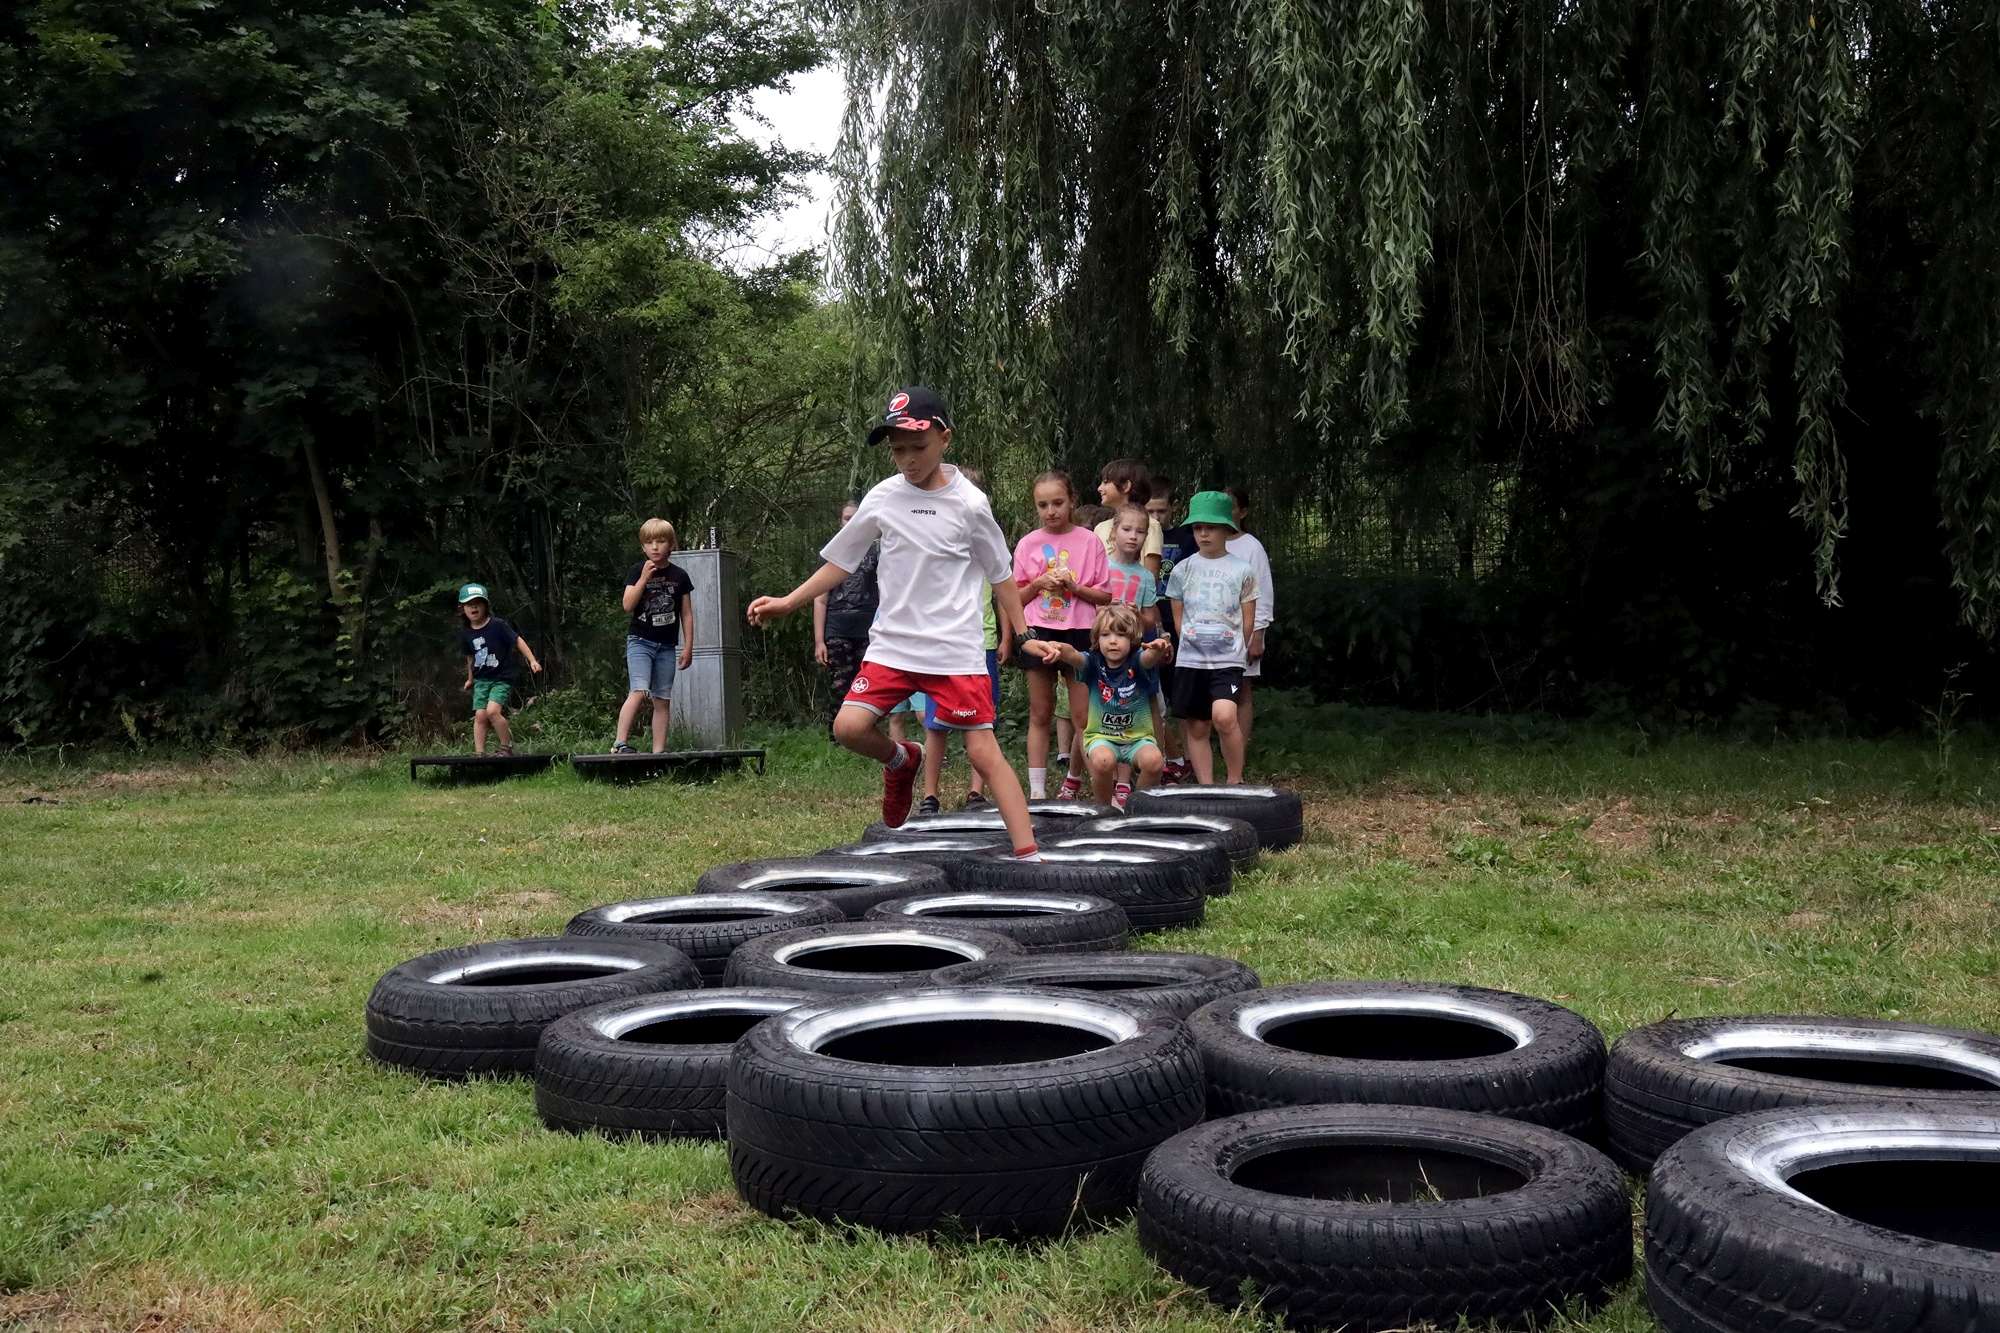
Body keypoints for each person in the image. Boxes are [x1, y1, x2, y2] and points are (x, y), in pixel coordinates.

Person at [747, 385, 1038, 852]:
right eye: (898, 450)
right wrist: (788, 601)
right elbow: (840, 563)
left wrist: (1024, 636)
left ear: (945, 438)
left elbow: (1001, 575)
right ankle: (902, 760)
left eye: (917, 447)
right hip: (894, 644)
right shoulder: (883, 497)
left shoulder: (970, 504)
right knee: (848, 729)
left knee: (983, 753)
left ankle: (1030, 855)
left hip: (954, 648)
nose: (908, 459)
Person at [1014, 470, 1111, 800]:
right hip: (1038, 630)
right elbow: (1014, 598)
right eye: (1043, 505)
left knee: (1084, 715)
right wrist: (1039, 583)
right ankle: (1038, 792)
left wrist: (1074, 587)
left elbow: (1105, 596)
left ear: (1071, 500)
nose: (1051, 511)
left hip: (1080, 630)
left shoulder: (1090, 541)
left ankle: (1091, 785)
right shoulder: (1028, 544)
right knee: (1040, 711)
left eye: (1057, 502)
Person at [918, 467, 1008, 814]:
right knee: (935, 725)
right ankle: (930, 795)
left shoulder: (987, 543)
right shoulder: (931, 546)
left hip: (980, 644)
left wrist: (1007, 637)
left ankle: (975, 792)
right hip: (937, 648)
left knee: (980, 724)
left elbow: (1003, 589)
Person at [1025, 603, 1173, 808]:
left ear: (1132, 639)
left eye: (1120, 635)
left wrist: (1158, 648)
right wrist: (1060, 648)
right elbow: (1074, 656)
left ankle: (1137, 810)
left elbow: (1149, 658)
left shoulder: (1138, 662)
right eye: (1105, 635)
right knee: (1103, 761)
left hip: (1138, 738)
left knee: (1154, 761)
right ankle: (1104, 809)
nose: (1113, 641)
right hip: (1102, 737)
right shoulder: (1093, 663)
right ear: (1096, 639)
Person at [1164, 491, 1257, 784]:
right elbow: (1178, 615)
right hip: (1191, 658)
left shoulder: (1243, 569)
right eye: (1197, 527)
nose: (1203, 534)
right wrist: (1191, 641)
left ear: (1227, 529)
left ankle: (1234, 780)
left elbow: (1248, 618)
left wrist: (1235, 649)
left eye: (1211, 527)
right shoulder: (1182, 569)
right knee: (1197, 725)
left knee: (1225, 716)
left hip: (1228, 659)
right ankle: (1207, 786)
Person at [613, 518, 695, 754]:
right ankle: (620, 743)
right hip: (640, 641)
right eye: (649, 542)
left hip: (667, 646)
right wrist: (643, 579)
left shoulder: (680, 576)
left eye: (661, 541)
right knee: (639, 690)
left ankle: (658, 751)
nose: (655, 547)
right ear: (643, 547)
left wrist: (688, 646)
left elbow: (686, 614)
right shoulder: (637, 570)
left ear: (671, 545)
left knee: (662, 699)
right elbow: (627, 605)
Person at [812, 500, 879, 738]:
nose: (850, 522)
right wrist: (819, 641)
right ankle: (837, 737)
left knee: (867, 686)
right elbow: (819, 599)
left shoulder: (877, 551)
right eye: (846, 518)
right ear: (839, 521)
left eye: (855, 518)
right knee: (839, 685)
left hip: (869, 630)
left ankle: (865, 735)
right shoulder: (831, 552)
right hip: (837, 629)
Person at [457, 582, 542, 756]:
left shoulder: (497, 625)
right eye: (469, 604)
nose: (474, 606)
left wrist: (532, 660)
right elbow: (470, 657)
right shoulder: (466, 633)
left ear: (485, 605)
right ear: (463, 609)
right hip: (481, 680)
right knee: (480, 716)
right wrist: (470, 679)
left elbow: (517, 640)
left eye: (478, 602)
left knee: (492, 712)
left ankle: (506, 747)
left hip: (501, 678)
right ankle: (479, 753)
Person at [1148, 474, 1194, 782]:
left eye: (1160, 512)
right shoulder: (1138, 536)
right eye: (1149, 511)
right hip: (1151, 621)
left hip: (1182, 624)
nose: (1154, 518)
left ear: (1173, 508)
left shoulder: (1188, 538)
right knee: (1157, 693)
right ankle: (1163, 756)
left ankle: (1188, 756)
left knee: (1182, 695)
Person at [1226, 483, 1276, 747]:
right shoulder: (1208, 541)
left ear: (1242, 512)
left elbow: (1263, 594)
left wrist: (1258, 634)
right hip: (1214, 633)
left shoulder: (1251, 547)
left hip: (1244, 630)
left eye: (1230, 507)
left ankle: (1240, 747)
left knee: (1242, 690)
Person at [1094, 459, 1164, 577]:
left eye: (1105, 482)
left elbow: (1151, 576)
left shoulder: (1151, 526)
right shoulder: (1100, 528)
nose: (1099, 488)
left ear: (1125, 486)